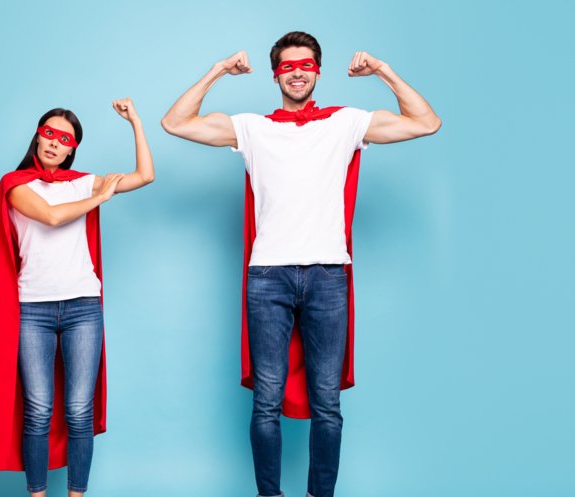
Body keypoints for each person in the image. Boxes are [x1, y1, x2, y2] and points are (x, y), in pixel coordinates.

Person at [161, 31, 440, 497]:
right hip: (267, 276)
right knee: (266, 402)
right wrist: (218, 70)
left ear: (317, 71)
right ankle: (269, 494)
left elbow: (426, 122)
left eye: (306, 65)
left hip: (328, 275)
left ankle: (319, 495)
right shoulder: (252, 128)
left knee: (326, 403)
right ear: (276, 74)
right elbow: (175, 122)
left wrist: (383, 71)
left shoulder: (345, 123)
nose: (297, 71)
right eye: (288, 65)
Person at [0, 99, 154, 497]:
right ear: (37, 136)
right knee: (38, 411)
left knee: (79, 411)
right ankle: (38, 494)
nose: (55, 143)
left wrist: (136, 122)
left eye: (64, 139)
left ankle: (77, 495)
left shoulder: (82, 180)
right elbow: (51, 216)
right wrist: (100, 199)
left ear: (73, 148)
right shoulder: (15, 183)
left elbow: (145, 175)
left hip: (82, 307)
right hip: (33, 309)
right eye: (49, 133)